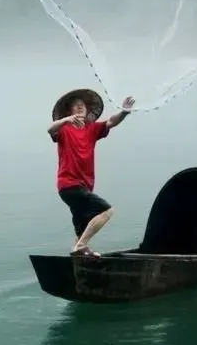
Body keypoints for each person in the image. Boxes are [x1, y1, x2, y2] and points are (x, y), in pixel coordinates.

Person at [47, 89, 135, 257]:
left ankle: (77, 254)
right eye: (76, 106)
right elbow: (50, 130)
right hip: (69, 184)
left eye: (83, 106)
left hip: (84, 186)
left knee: (83, 226)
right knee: (106, 211)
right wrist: (66, 120)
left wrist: (124, 112)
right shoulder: (64, 130)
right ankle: (81, 246)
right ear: (70, 111)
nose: (81, 108)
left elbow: (110, 122)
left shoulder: (92, 129)